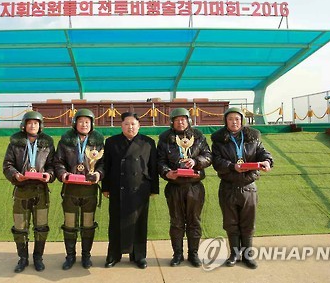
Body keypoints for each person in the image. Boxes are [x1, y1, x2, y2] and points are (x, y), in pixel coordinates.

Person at [210, 107, 273, 269]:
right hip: (228, 186)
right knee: (230, 222)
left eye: (237, 119)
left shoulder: (253, 138)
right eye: (230, 119)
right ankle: (234, 254)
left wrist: (266, 161)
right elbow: (216, 161)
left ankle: (248, 255)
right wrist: (232, 166)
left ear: (242, 120)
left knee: (248, 222)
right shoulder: (218, 140)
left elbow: (263, 153)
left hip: (248, 186)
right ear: (226, 121)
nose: (234, 122)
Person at [102, 112, 159, 269]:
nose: (130, 127)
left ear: (139, 126)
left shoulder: (148, 142)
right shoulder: (112, 142)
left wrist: (154, 188)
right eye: (126, 124)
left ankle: (139, 256)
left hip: (140, 189)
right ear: (121, 126)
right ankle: (114, 255)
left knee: (140, 223)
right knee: (115, 223)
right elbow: (107, 166)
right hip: (117, 188)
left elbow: (153, 167)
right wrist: (105, 187)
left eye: (133, 124)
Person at [157, 108, 212, 267]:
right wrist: (167, 173)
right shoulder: (165, 138)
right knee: (176, 222)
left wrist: (196, 162)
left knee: (194, 221)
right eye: (177, 119)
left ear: (188, 120)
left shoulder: (199, 136)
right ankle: (177, 254)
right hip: (174, 186)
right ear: (172, 122)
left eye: (183, 119)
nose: (180, 122)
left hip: (194, 186)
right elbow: (159, 161)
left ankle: (193, 254)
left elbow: (208, 155)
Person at [3, 111, 56, 273]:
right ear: (24, 125)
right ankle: (23, 258)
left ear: (40, 126)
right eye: (30, 123)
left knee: (41, 226)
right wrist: (15, 175)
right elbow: (7, 165)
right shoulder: (15, 143)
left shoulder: (47, 143)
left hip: (41, 191)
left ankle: (38, 258)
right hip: (21, 190)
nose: (33, 126)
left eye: (36, 123)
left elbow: (53, 165)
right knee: (20, 227)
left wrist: (49, 175)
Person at [54, 108, 105, 270]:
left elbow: (104, 163)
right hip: (70, 190)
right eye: (81, 121)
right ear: (75, 123)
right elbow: (58, 162)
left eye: (87, 122)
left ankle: (86, 256)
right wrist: (63, 174)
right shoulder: (65, 141)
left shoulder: (98, 142)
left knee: (88, 224)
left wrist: (98, 174)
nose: (84, 124)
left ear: (92, 124)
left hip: (90, 190)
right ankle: (70, 256)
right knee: (69, 224)